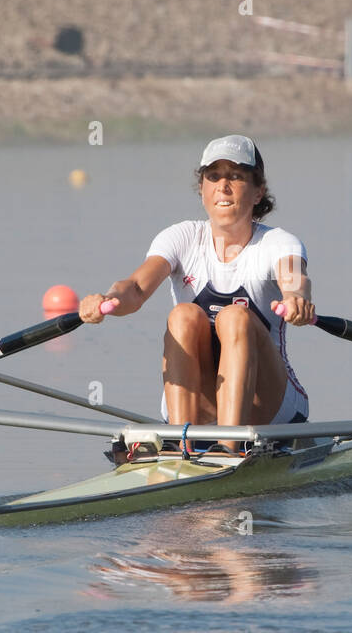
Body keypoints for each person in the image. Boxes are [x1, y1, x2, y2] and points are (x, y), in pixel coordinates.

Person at [79, 135, 313, 452]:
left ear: (258, 191)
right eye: (213, 176)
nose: (223, 186)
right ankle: (180, 442)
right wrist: (108, 300)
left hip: (270, 406)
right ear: (202, 188)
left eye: (236, 176)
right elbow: (135, 288)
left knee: (235, 318)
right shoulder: (182, 237)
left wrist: (296, 298)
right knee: (183, 315)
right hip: (200, 405)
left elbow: (294, 278)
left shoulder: (279, 243)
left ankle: (231, 447)